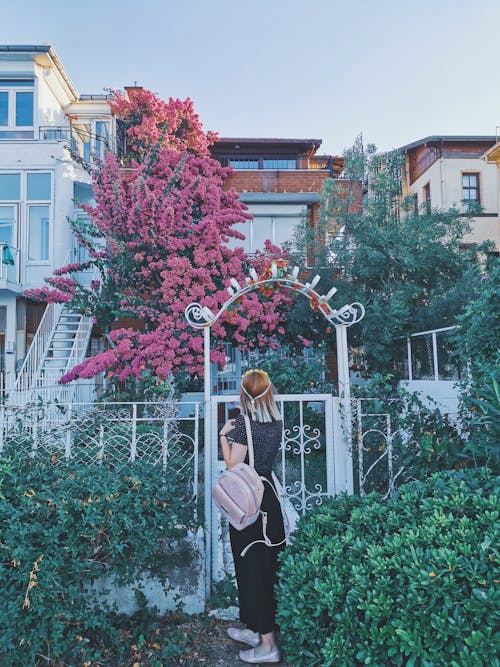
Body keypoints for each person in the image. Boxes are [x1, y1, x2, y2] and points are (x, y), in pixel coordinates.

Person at [218, 369, 285, 664]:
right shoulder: (276, 421)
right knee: (265, 566)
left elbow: (233, 463)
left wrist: (223, 435)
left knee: (251, 568)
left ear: (244, 394)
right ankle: (258, 631)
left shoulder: (244, 424)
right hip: (267, 494)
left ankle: (267, 645)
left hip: (249, 501)